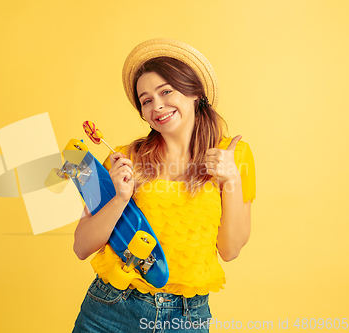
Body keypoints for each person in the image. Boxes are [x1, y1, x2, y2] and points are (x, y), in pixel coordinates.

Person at [72, 38, 256, 333]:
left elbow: (230, 250)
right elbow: (81, 247)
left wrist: (231, 178)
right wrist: (120, 198)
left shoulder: (234, 157)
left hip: (186, 317)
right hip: (110, 311)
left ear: (195, 92)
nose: (157, 105)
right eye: (146, 100)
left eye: (166, 91)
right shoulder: (121, 160)